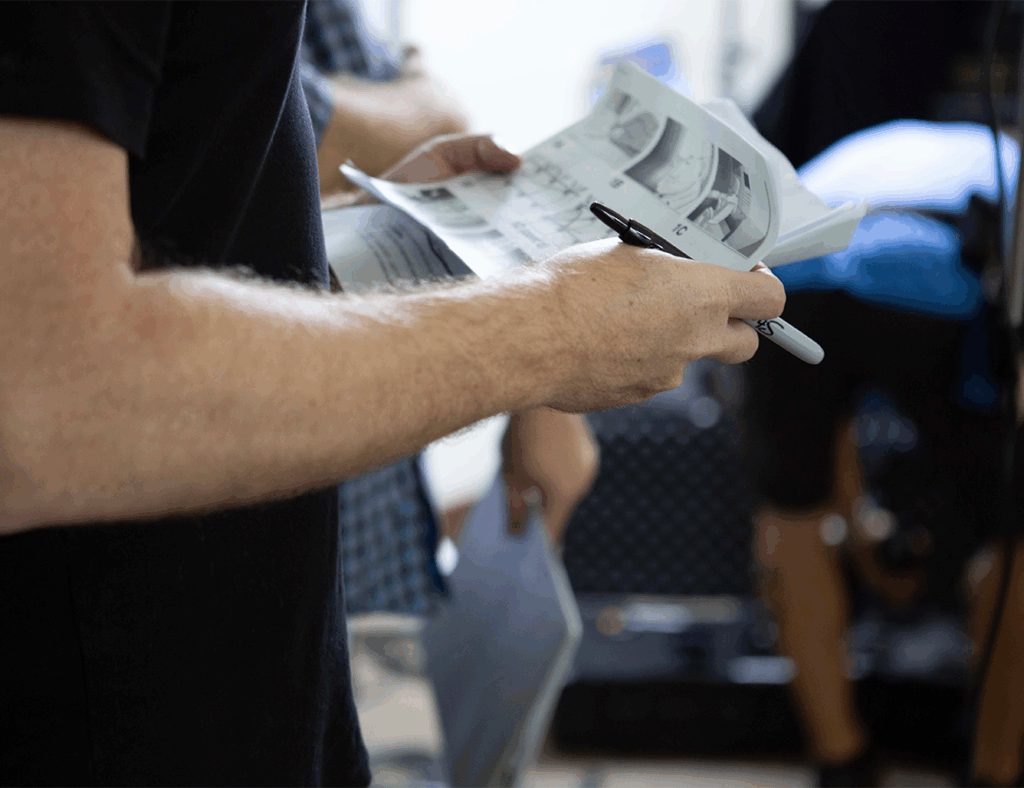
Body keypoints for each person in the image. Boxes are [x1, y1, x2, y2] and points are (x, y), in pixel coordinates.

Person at [0, 2, 785, 785]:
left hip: (258, 683)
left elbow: (164, 224)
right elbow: (45, 394)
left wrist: (361, 236)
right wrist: (552, 330)